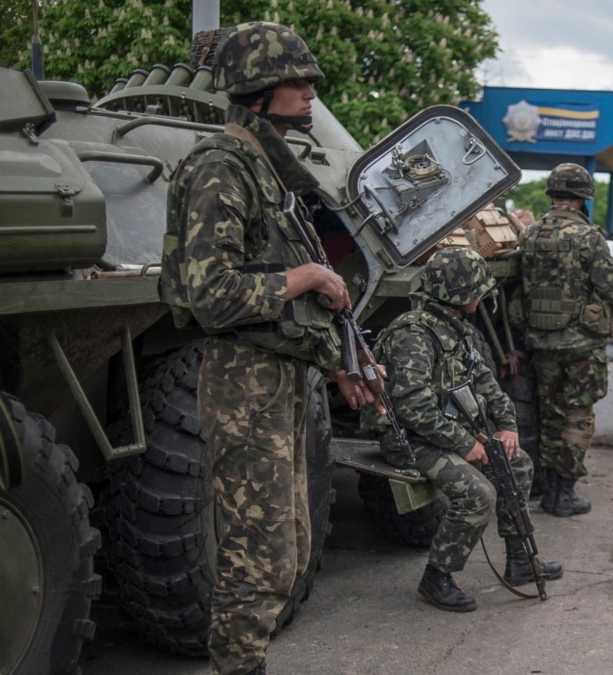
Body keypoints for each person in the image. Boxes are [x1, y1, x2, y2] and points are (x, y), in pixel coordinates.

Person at [159, 21, 382, 675]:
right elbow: (214, 293)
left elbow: (293, 303)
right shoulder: (222, 168)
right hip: (245, 373)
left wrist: (345, 364)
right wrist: (312, 276)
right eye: (296, 80)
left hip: (283, 373)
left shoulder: (272, 174)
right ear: (257, 91)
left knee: (288, 546)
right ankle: (238, 662)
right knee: (257, 551)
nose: (311, 91)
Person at [363, 247, 562, 612]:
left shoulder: (458, 331)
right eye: (477, 290)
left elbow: (488, 386)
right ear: (462, 295)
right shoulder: (415, 334)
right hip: (408, 440)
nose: (481, 296)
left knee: (518, 465)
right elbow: (412, 406)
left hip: (444, 433)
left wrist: (506, 426)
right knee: (478, 494)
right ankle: (437, 577)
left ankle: (520, 561)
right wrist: (465, 443)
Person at [520, 163, 613, 517]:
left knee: (549, 416)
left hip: (541, 343)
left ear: (551, 194)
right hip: (581, 345)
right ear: (583, 200)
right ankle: (564, 494)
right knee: (577, 416)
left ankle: (549, 490)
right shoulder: (587, 238)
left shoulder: (530, 235)